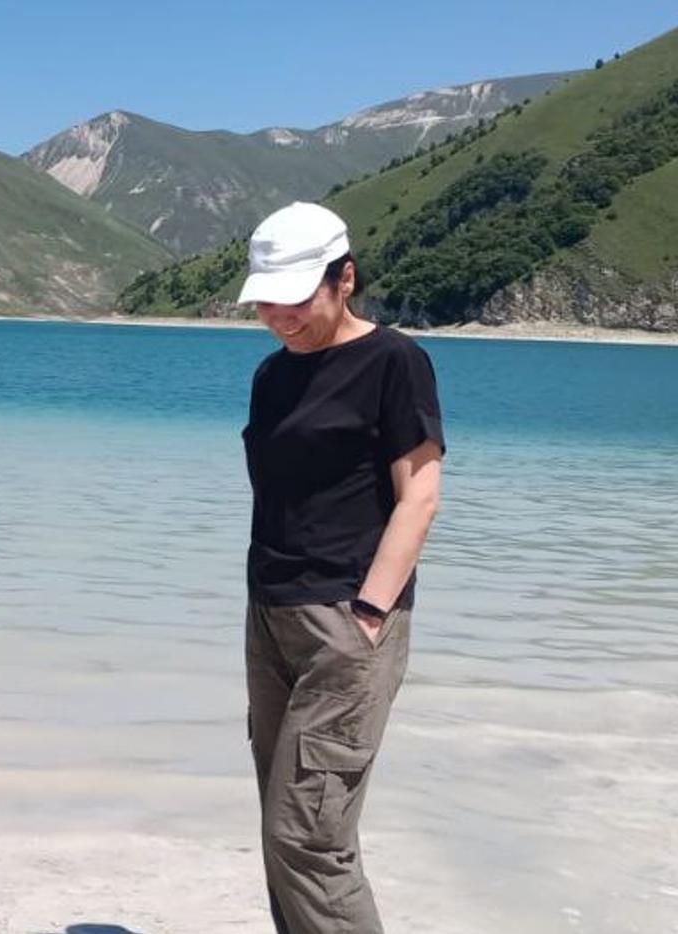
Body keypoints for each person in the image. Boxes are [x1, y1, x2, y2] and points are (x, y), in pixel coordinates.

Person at [236, 202, 444, 934]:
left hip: (346, 621)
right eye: (266, 301)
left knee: (309, 838)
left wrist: (369, 614)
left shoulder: (394, 362)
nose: (279, 316)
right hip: (272, 617)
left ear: (344, 278)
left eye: (295, 299)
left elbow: (419, 495)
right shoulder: (272, 374)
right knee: (282, 829)